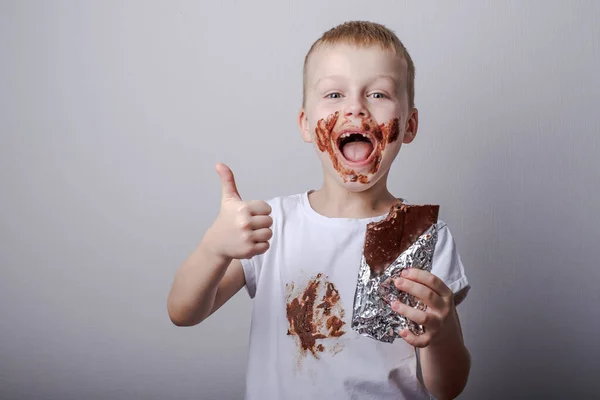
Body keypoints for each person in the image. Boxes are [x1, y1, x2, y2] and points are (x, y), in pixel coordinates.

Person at [167, 21, 471, 400]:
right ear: (306, 124)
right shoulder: (272, 225)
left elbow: (448, 389)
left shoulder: (423, 236)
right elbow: (183, 312)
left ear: (409, 126)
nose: (355, 107)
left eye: (378, 94)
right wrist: (214, 248)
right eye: (334, 94)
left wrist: (439, 336)